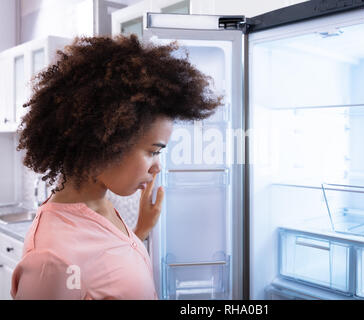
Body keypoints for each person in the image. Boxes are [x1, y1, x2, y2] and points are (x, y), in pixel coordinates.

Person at [10, 34, 222, 300]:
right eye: (152, 151)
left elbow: (102, 271)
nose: (156, 167)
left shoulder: (99, 205)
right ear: (104, 143)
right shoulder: (53, 260)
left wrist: (140, 231)